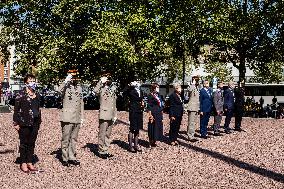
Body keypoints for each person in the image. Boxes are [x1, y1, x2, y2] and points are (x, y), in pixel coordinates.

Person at [13, 74, 42, 173]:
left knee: (31, 143)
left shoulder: (37, 94)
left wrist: (39, 122)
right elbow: (16, 110)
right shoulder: (20, 94)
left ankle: (29, 161)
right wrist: (15, 123)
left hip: (35, 123)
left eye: (34, 80)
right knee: (24, 143)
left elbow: (38, 108)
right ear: (26, 82)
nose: (33, 82)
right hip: (24, 122)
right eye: (30, 80)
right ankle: (23, 162)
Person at [58, 70, 84, 167]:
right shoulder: (65, 86)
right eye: (72, 76)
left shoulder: (79, 88)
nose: (74, 78)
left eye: (75, 76)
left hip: (76, 117)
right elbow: (58, 90)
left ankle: (72, 156)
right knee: (66, 138)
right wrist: (65, 81)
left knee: (74, 138)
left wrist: (82, 117)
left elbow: (81, 102)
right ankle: (65, 158)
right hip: (67, 117)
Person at [94, 73, 117, 159]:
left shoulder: (112, 90)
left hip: (111, 114)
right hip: (104, 114)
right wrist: (100, 81)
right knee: (102, 134)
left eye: (110, 78)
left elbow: (114, 103)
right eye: (107, 79)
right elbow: (95, 91)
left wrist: (115, 115)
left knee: (108, 134)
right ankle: (101, 151)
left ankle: (106, 150)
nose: (109, 80)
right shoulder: (101, 89)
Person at [127, 80, 144, 153]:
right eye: (138, 82)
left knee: (137, 128)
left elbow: (142, 98)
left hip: (139, 111)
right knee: (132, 128)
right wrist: (130, 85)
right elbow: (137, 98)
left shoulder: (141, 91)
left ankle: (136, 145)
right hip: (133, 111)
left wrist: (143, 104)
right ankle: (130, 146)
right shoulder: (131, 91)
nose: (139, 83)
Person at [147, 83, 164, 147]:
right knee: (152, 127)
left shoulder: (159, 95)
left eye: (158, 87)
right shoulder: (150, 95)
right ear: (154, 88)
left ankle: (155, 140)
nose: (158, 89)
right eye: (157, 87)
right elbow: (149, 106)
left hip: (159, 112)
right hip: (153, 113)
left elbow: (161, 104)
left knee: (158, 127)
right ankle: (151, 141)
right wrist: (150, 115)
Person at [186, 76, 200, 142]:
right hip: (192, 108)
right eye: (196, 80)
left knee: (194, 123)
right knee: (191, 122)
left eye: (197, 80)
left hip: (196, 107)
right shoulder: (191, 86)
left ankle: (192, 134)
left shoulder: (197, 88)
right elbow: (189, 90)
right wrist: (193, 83)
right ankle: (190, 136)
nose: (197, 81)